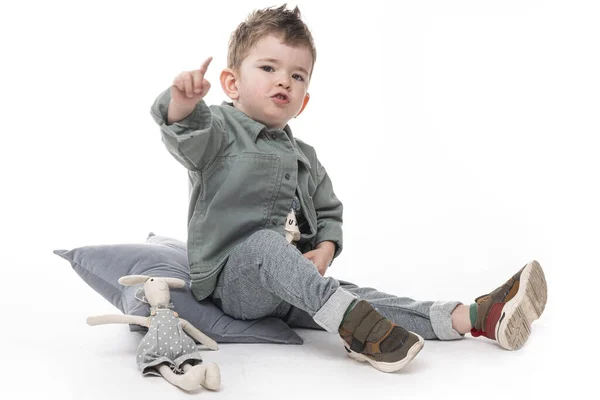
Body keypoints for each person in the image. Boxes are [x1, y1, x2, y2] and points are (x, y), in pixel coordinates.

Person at [150, 4, 547, 373]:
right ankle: (355, 331)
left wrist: (324, 249)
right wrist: (183, 102)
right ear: (231, 83)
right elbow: (186, 132)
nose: (284, 81)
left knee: (360, 296)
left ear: (303, 101)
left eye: (297, 75)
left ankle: (474, 318)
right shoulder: (220, 130)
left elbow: (327, 213)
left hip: (292, 284)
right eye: (268, 68)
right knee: (264, 246)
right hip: (234, 285)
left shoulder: (305, 157)